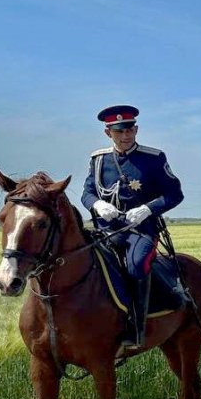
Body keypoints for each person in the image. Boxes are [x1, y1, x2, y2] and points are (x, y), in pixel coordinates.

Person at [80, 105, 184, 350]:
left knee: (136, 265)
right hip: (106, 230)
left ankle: (135, 329)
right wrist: (97, 205)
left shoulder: (153, 158)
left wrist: (147, 209)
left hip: (141, 230)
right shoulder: (98, 160)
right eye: (119, 132)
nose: (126, 136)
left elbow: (175, 194)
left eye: (130, 130)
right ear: (108, 133)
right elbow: (87, 192)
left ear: (136, 129)